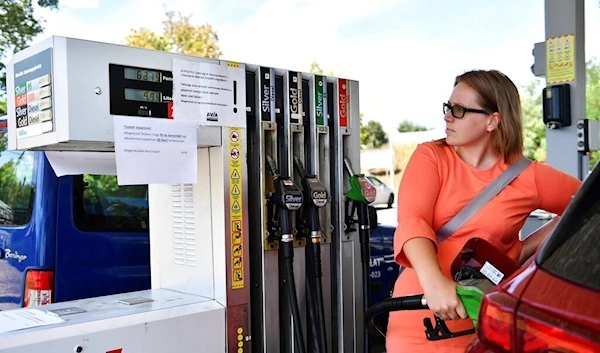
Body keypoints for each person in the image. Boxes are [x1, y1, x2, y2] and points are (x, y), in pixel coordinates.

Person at [385, 69, 582, 353]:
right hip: (420, 313)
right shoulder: (431, 157)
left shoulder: (529, 176)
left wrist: (526, 248)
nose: (447, 116)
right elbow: (414, 221)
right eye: (448, 107)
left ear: (492, 120)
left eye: (459, 109)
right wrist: (435, 284)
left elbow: (588, 205)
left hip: (487, 320)